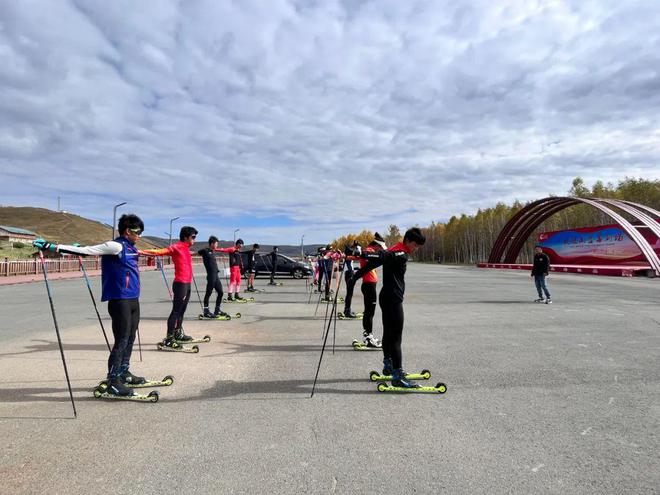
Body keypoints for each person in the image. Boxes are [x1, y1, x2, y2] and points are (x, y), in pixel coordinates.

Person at [32, 214, 148, 396]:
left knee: (131, 337)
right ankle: (113, 381)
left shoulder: (132, 248)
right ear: (127, 231)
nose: (139, 235)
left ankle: (124, 372)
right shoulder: (115, 246)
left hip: (133, 298)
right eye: (137, 232)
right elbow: (87, 251)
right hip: (120, 300)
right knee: (122, 340)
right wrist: (52, 246)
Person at [352, 227, 426, 388]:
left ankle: (388, 366)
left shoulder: (394, 249)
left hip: (386, 297)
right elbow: (382, 256)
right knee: (396, 337)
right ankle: (397, 375)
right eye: (415, 245)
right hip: (393, 299)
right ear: (408, 241)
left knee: (388, 333)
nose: (415, 249)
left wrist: (355, 276)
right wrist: (362, 255)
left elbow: (374, 263)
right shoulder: (400, 252)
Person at [139, 226, 198, 348]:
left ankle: (178, 333)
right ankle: (169, 338)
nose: (195, 240)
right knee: (176, 311)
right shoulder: (176, 247)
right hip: (180, 284)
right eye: (193, 237)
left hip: (187, 283)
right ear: (186, 237)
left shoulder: (187, 248)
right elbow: (159, 252)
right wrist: (140, 252)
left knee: (182, 311)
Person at [346, 233, 387, 346]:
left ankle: (368, 336)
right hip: (369, 284)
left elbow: (360, 257)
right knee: (370, 312)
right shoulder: (369, 250)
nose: (381, 250)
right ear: (377, 245)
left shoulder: (369, 250)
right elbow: (366, 255)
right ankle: (369, 337)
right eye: (380, 248)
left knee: (368, 312)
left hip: (369, 284)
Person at [197, 236, 231, 318]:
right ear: (212, 243)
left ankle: (217, 310)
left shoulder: (212, 252)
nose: (217, 245)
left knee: (220, 292)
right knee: (208, 293)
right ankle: (206, 311)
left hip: (216, 275)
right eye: (216, 244)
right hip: (211, 276)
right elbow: (197, 253)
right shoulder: (205, 251)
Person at [341, 241, 361, 318]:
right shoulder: (349, 257)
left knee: (349, 293)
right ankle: (347, 311)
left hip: (348, 273)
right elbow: (358, 254)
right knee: (350, 293)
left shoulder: (347, 256)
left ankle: (346, 309)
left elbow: (351, 266)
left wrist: (356, 268)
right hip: (350, 274)